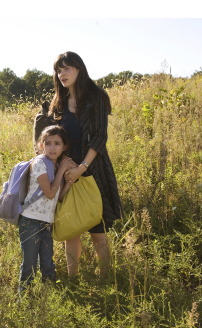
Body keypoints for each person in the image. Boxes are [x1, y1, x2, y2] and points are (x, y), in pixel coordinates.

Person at [33, 51, 122, 277]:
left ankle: (105, 277)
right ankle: (73, 279)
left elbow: (100, 137)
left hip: (93, 169)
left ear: (78, 69)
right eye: (58, 70)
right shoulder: (58, 102)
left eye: (66, 68)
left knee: (97, 227)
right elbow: (53, 141)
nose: (62, 74)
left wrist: (81, 168)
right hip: (65, 172)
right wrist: (64, 169)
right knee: (71, 227)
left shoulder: (96, 97)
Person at [18, 125, 72, 292]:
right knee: (30, 264)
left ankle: (49, 299)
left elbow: (59, 197)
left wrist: (69, 181)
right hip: (31, 221)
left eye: (57, 143)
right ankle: (25, 300)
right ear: (41, 145)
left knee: (48, 263)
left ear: (64, 147)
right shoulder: (40, 163)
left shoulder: (56, 166)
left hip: (46, 222)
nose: (52, 147)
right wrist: (63, 170)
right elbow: (49, 193)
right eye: (48, 143)